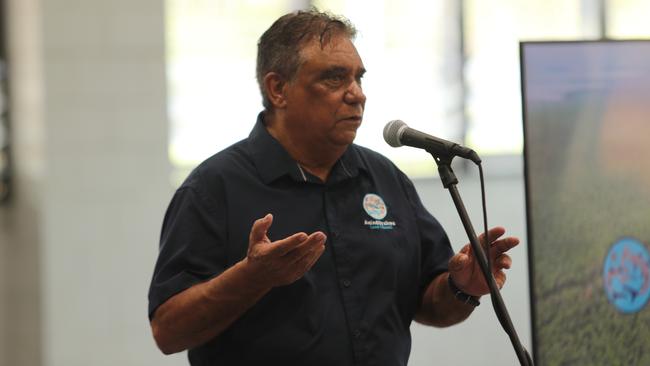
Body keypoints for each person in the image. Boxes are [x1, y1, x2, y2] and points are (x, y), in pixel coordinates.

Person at [148, 9, 519, 366]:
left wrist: (462, 286)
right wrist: (252, 277)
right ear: (278, 89)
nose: (357, 94)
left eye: (359, 78)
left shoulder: (385, 179)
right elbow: (168, 331)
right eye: (334, 78)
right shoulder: (213, 189)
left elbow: (431, 304)